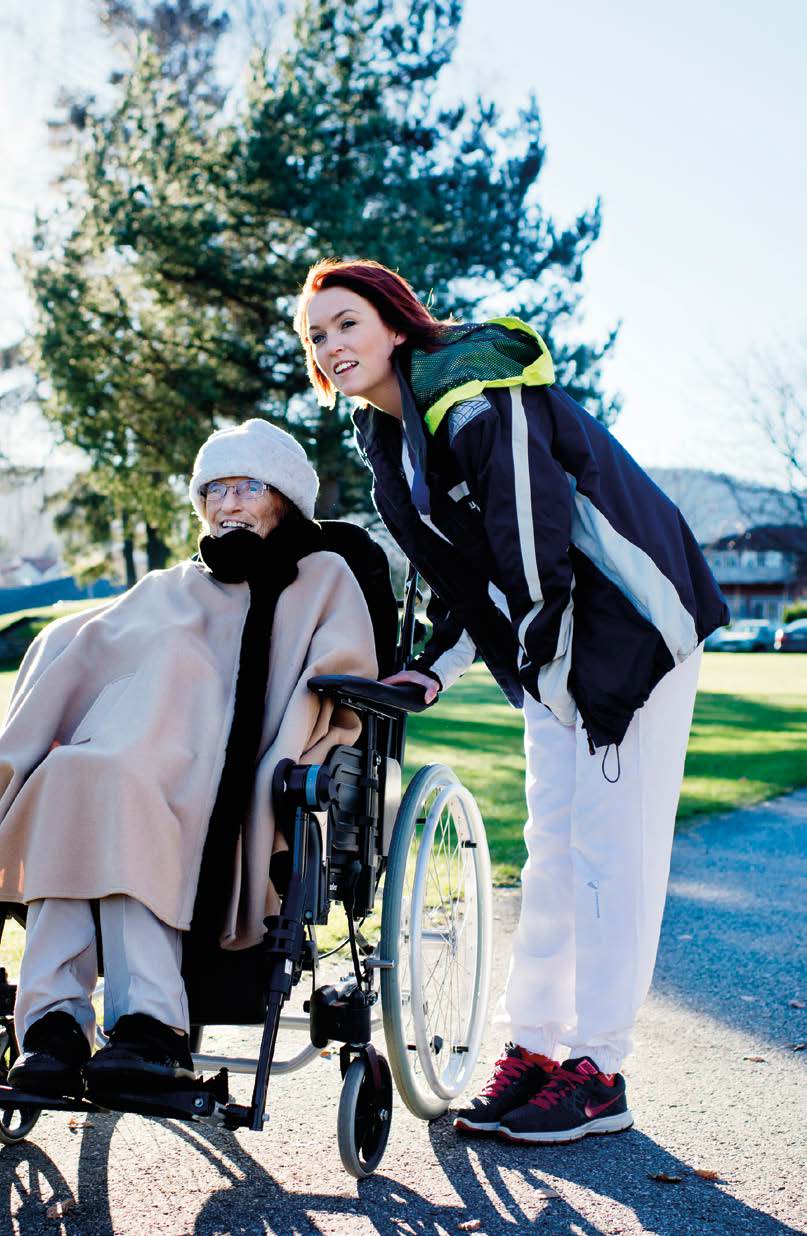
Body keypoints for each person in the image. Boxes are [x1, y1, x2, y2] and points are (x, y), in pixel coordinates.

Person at [294, 259, 729, 1145]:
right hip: (555, 649)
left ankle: (599, 1070)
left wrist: (549, 664)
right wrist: (434, 669)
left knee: (611, 857)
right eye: (315, 337)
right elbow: (468, 574)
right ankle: (535, 1051)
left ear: (393, 321)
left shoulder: (472, 397)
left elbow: (529, 545)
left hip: (627, 629)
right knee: (554, 854)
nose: (331, 346)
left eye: (345, 324)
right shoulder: (395, 436)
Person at [0, 419, 377, 1102]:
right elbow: (96, 642)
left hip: (230, 768)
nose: (227, 504)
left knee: (124, 787)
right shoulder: (169, 585)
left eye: (246, 486)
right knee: (68, 778)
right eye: (212, 489)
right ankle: (52, 1028)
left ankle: (149, 1026)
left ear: (282, 495)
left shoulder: (324, 575)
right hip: (133, 749)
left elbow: (343, 674)